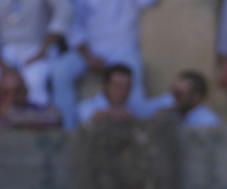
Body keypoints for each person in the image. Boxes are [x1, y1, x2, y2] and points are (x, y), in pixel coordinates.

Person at [50, 0, 156, 129]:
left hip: (124, 48)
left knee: (135, 90)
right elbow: (73, 26)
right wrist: (88, 56)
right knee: (60, 72)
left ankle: (139, 129)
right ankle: (68, 130)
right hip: (89, 49)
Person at [0, 0, 72, 107]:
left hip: (37, 46)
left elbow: (65, 10)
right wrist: (4, 65)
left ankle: (37, 114)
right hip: (5, 48)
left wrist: (44, 48)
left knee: (35, 79)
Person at [144, 70, 220, 128]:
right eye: (173, 92)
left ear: (196, 98)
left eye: (179, 95)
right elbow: (141, 113)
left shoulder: (206, 122)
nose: (174, 99)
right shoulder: (169, 101)